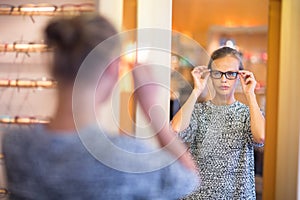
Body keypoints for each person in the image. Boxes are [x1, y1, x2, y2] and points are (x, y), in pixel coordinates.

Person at [2, 14, 199, 200]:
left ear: (53, 68)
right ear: (114, 69)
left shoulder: (16, 145)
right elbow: (188, 179)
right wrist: (152, 110)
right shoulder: (124, 158)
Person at [171, 46, 265, 199]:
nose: (223, 79)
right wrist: (196, 91)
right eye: (217, 73)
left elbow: (261, 136)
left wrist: (250, 94)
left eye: (230, 74)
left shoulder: (248, 113)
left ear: (239, 75)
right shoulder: (198, 111)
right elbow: (175, 129)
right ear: (210, 75)